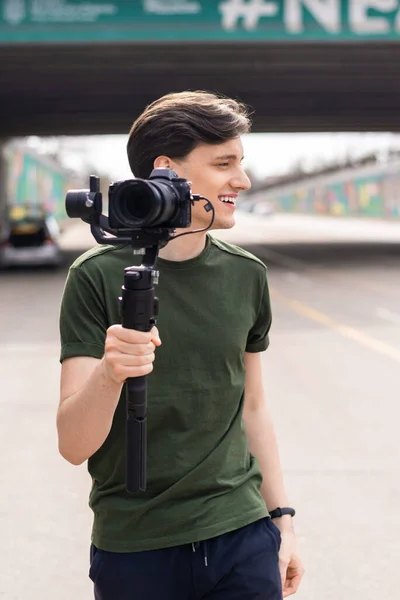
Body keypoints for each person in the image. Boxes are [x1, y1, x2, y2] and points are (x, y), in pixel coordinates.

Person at [57, 90, 305, 599]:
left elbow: (253, 407)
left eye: (242, 163)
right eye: (224, 163)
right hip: (137, 546)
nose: (243, 179)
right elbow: (72, 444)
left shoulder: (246, 273)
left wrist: (282, 521)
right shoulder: (96, 276)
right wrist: (110, 373)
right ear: (167, 169)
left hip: (243, 535)